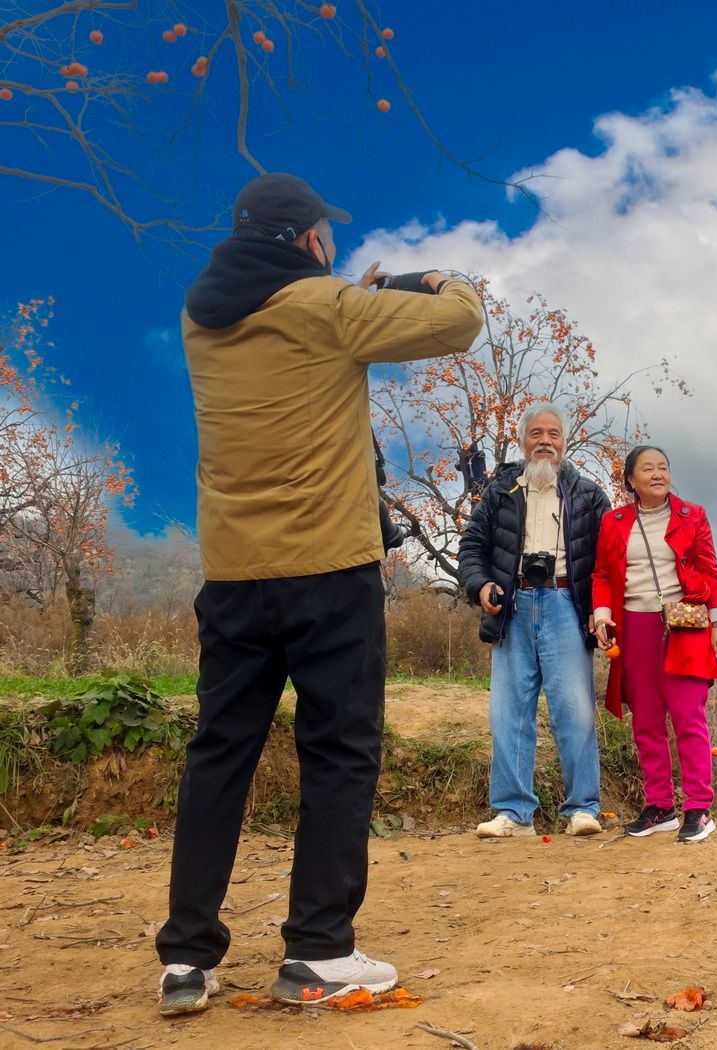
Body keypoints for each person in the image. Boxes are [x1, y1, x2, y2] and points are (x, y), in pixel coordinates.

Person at [156, 171, 484, 1016]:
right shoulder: (326, 308)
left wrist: (349, 294)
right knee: (338, 754)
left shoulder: (202, 319)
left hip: (233, 575)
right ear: (306, 239)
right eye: (324, 236)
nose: (332, 246)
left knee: (218, 754)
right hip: (329, 572)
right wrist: (435, 279)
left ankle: (187, 958)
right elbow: (459, 321)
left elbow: (298, 320)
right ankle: (319, 952)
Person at [459, 402, 611, 839]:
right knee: (508, 712)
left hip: (567, 603)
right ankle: (512, 812)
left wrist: (602, 609)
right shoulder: (498, 490)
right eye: (536, 434)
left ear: (565, 443)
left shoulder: (587, 494)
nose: (545, 441)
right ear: (523, 441)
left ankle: (583, 808)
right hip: (511, 604)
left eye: (554, 434)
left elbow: (607, 558)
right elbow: (472, 547)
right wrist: (479, 586)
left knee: (574, 710)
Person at [592, 445, 717, 843]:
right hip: (634, 625)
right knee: (647, 720)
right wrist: (602, 613)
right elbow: (602, 573)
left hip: (685, 623)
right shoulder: (613, 521)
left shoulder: (692, 515)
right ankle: (660, 806)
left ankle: (699, 808)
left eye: (663, 467)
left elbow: (709, 568)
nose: (657, 474)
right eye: (647, 469)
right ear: (630, 480)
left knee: (688, 716)